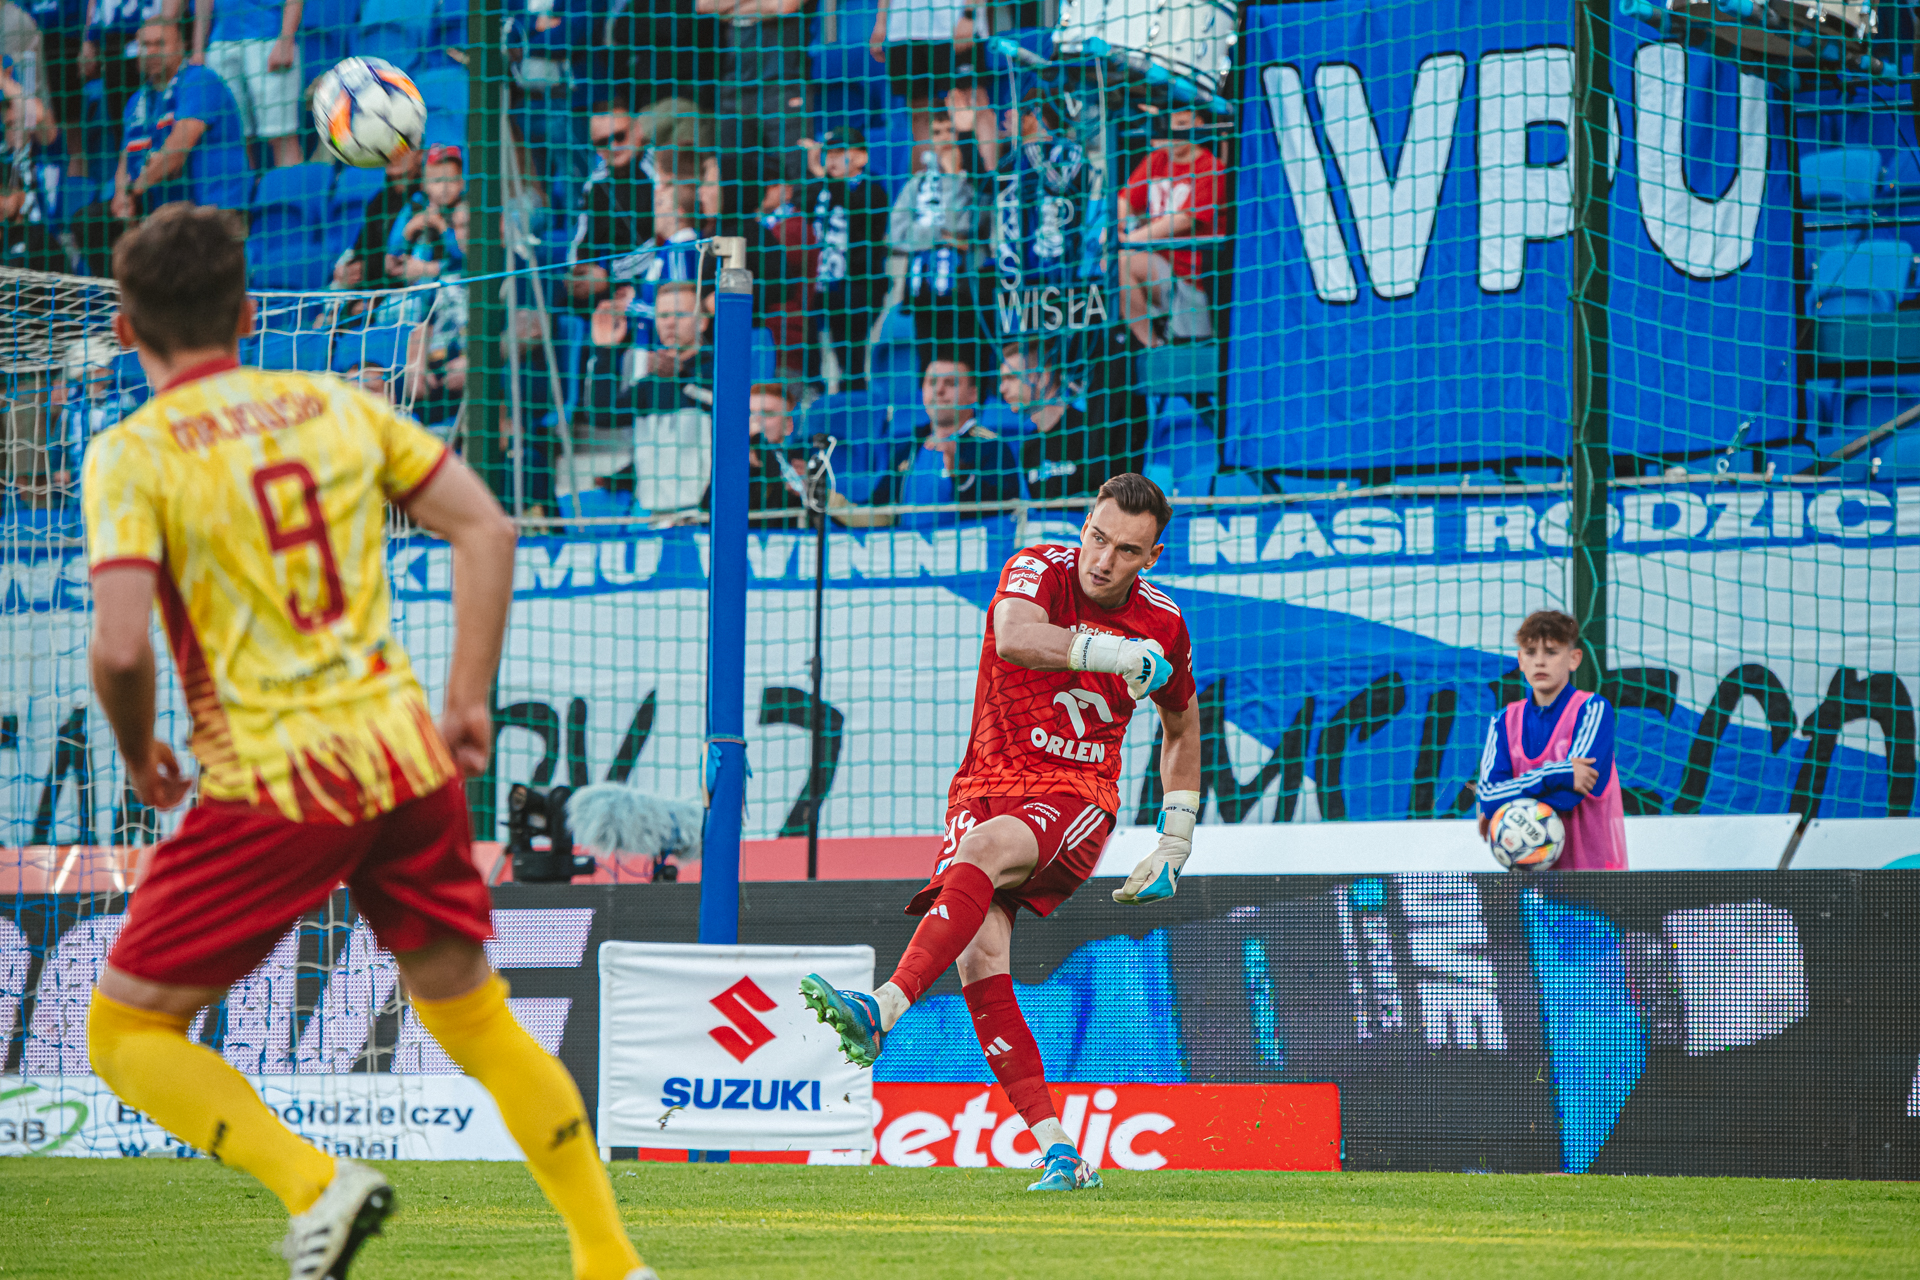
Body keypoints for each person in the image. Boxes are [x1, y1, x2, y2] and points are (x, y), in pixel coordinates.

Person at [79, 204, 656, 1280]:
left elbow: (118, 647)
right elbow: (487, 526)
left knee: (123, 1031)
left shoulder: (132, 453)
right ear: (248, 316)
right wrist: (467, 701)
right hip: (404, 755)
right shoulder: (339, 406)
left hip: (275, 775)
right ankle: (609, 1258)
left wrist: (136, 746)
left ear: (124, 328)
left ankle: (316, 1185)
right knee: (478, 1019)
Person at [801, 471, 1201, 1191]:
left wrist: (1176, 836)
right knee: (980, 964)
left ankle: (881, 1007)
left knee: (983, 853)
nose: (1103, 559)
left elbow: (1181, 724)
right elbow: (1016, 638)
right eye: (1097, 537)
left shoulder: (1164, 623)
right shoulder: (1038, 568)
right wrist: (1112, 653)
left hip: (1074, 793)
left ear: (1153, 556)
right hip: (982, 786)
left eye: (1126, 550)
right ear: (1085, 524)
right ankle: (1060, 1150)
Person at [1476, 609, 1628, 870]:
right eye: (1531, 652)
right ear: (1520, 660)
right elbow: (1488, 795)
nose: (1540, 662)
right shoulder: (1503, 722)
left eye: (1551, 652)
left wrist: (1507, 808)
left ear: (1574, 659)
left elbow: (1570, 796)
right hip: (1529, 883)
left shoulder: (1592, 709)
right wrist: (1560, 773)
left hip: (1593, 877)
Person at [96, 16, 249, 257]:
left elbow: (175, 152)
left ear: (180, 47)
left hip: (214, 211)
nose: (151, 52)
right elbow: (126, 158)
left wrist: (133, 190)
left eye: (160, 44)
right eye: (145, 45)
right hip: (169, 214)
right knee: (91, 222)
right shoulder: (137, 101)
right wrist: (120, 195)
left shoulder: (200, 81)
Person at [866, 353, 1016, 524]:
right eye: (932, 382)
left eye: (951, 383)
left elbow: (1004, 513)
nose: (939, 390)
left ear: (973, 394)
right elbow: (879, 510)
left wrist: (962, 475)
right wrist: (842, 508)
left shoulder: (992, 446)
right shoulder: (908, 447)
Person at [1117, 108, 1222, 349]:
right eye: (1169, 125)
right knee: (1116, 261)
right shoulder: (1157, 160)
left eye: (1182, 124)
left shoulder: (1212, 167)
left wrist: (1128, 240)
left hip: (1194, 278)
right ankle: (1152, 345)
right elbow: (1125, 201)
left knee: (1121, 259)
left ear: (1198, 123)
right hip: (1160, 267)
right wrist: (1114, 228)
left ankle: (1160, 344)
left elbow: (1183, 220)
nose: (1174, 133)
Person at [888, 112, 982, 374]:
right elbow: (897, 234)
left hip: (965, 291)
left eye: (950, 131)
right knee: (928, 366)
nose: (944, 139)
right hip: (922, 291)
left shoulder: (978, 180)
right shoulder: (917, 183)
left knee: (964, 364)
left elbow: (965, 225)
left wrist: (952, 179)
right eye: (937, 132)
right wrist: (944, 236)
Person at [1000, 343, 1144, 503]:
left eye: (1011, 378)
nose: (1002, 388)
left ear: (1042, 378)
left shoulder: (1091, 432)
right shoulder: (1029, 448)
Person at [806, 126, 888, 388]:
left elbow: (859, 212)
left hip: (858, 285)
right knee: (825, 353)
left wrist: (824, 178)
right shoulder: (820, 191)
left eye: (841, 152)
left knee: (853, 356)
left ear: (862, 157)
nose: (831, 159)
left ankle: (855, 396)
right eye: (828, 153)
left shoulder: (872, 189)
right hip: (823, 285)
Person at [702, 0, 810, 180]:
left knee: (799, 173)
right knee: (733, 176)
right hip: (734, 86)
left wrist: (730, 11)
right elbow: (704, 5)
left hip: (784, 83)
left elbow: (783, 6)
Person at [190, 0, 302, 167]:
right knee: (237, 137)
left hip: (269, 38)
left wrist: (286, 39)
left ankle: (291, 184)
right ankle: (250, 185)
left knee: (281, 135)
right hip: (221, 44)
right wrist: (198, 50)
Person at [567, 95, 654, 308]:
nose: (613, 146)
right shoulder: (596, 183)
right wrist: (577, 271)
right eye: (602, 142)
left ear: (637, 130)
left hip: (656, 275)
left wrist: (610, 275)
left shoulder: (660, 170)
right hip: (613, 282)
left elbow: (665, 241)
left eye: (620, 136)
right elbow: (582, 237)